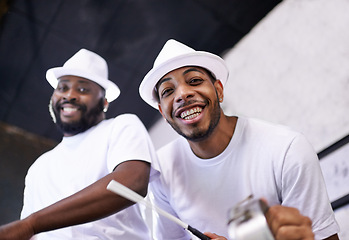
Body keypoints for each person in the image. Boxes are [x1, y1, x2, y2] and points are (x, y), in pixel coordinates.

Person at [139, 39, 340, 240]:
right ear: (163, 113)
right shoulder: (161, 171)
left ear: (218, 90)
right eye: (168, 91)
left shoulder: (286, 149)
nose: (182, 94)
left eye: (194, 81)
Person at [0, 48, 158, 239]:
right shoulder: (39, 166)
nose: (70, 95)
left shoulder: (120, 126)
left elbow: (132, 183)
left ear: (105, 102)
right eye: (62, 88)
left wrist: (31, 224)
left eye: (83, 89)